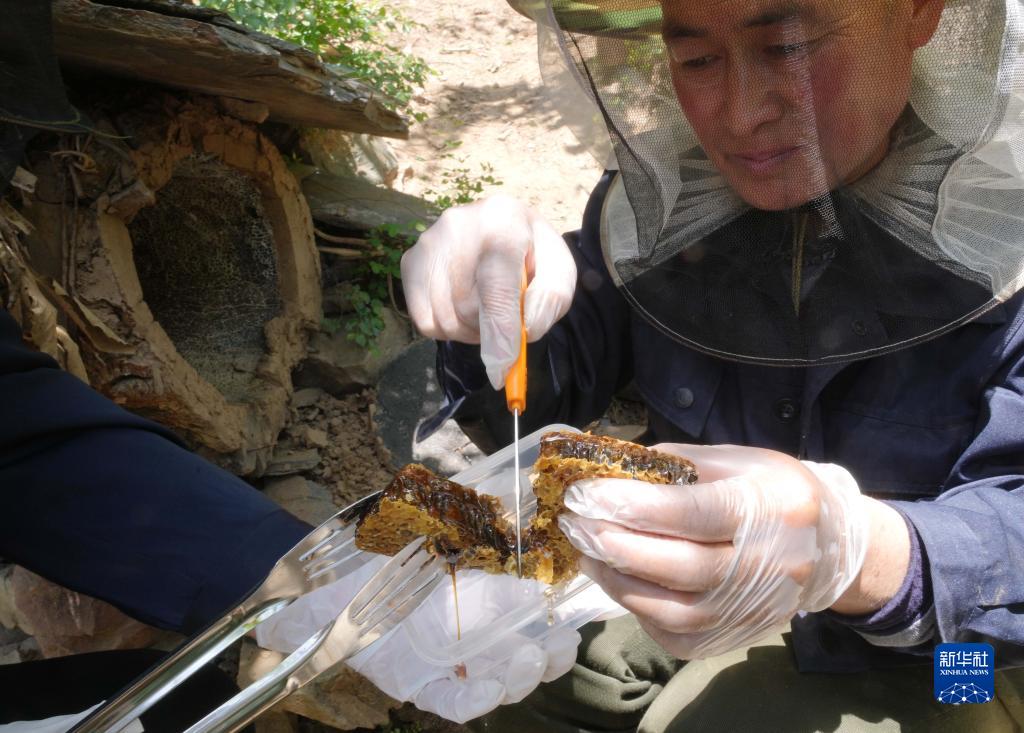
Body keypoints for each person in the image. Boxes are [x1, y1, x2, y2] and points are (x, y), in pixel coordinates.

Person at [396, 0, 1024, 730]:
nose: (740, 113)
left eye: (789, 47)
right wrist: (493, 304)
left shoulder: (1005, 219)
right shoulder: (673, 199)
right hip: (721, 598)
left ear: (919, 14)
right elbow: (544, 389)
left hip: (958, 654)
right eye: (696, 60)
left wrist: (859, 552)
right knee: (538, 670)